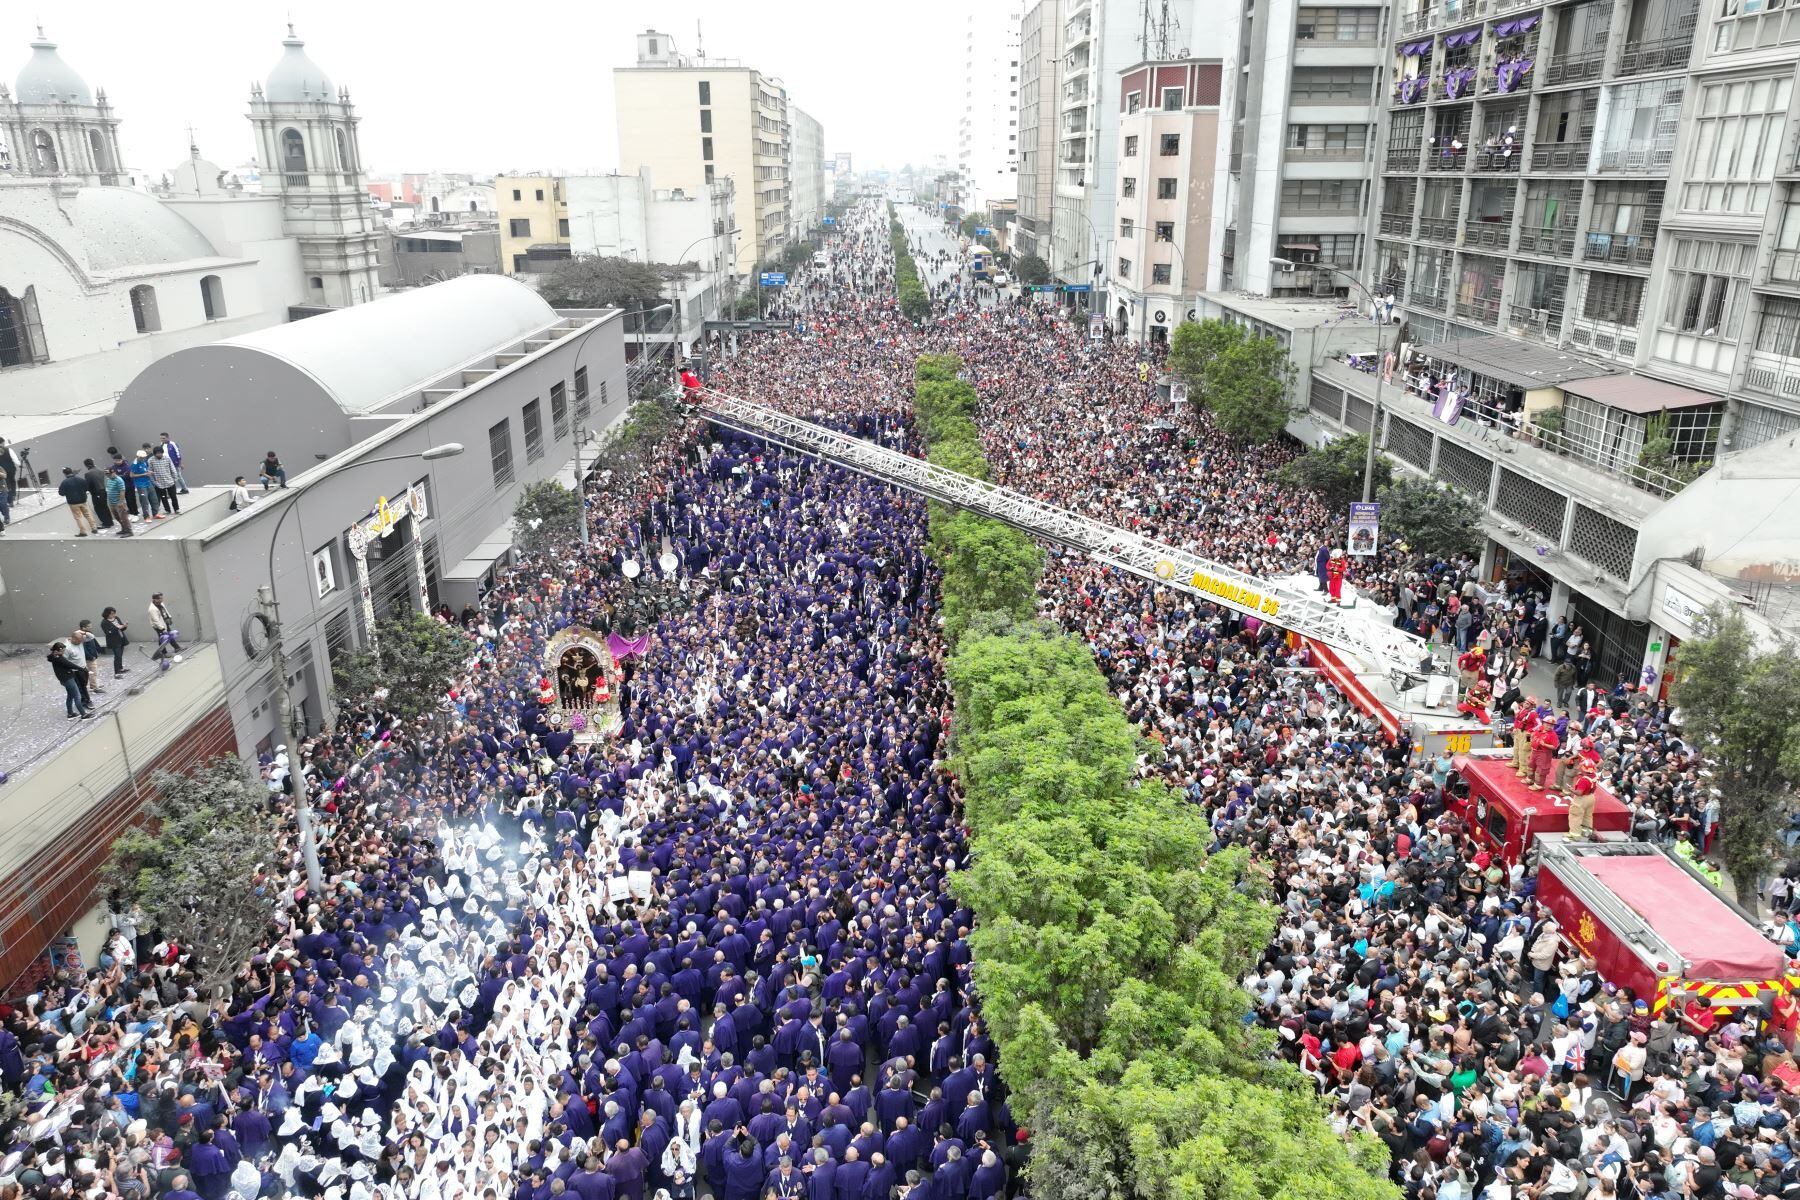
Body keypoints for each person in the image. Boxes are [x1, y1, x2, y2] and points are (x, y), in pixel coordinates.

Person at [48, 639, 93, 719]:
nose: (63, 653)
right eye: (62, 651)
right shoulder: (59, 658)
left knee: (70, 695)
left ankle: (70, 713)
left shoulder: (54, 657)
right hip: (68, 679)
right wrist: (82, 669)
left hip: (64, 679)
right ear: (56, 651)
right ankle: (83, 714)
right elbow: (70, 664)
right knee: (77, 696)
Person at [58, 465, 97, 536]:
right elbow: (86, 488)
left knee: (78, 517)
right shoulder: (80, 479)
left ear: (65, 474)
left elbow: (61, 493)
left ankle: (83, 531)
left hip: (73, 503)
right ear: (71, 472)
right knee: (87, 515)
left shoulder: (64, 482)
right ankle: (94, 528)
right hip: (83, 500)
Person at [148, 592, 183, 662]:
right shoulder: (152, 609)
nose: (162, 599)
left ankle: (177, 647)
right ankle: (163, 653)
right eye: (160, 598)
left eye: (162, 598)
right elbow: (156, 621)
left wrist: (169, 618)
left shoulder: (160, 604)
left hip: (164, 623)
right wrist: (162, 629)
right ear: (155, 599)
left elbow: (165, 611)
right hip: (159, 626)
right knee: (163, 639)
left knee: (169, 635)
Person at [148, 445, 181, 515]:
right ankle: (167, 510)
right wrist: (154, 482)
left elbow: (172, 469)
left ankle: (176, 509)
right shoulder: (151, 460)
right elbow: (149, 472)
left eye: (160, 453)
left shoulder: (167, 458)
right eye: (157, 453)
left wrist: (175, 479)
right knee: (163, 498)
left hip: (170, 481)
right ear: (154, 454)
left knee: (173, 496)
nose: (159, 454)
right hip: (159, 483)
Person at [81, 457, 113, 530]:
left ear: (86, 465)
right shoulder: (100, 470)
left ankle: (106, 523)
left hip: (96, 492)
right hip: (103, 491)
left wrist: (85, 490)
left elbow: (88, 485)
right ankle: (110, 521)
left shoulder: (88, 473)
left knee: (99, 508)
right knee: (105, 507)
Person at [75, 621, 105, 695]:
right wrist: (90, 657)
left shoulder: (88, 634)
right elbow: (83, 648)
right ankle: (95, 687)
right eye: (88, 626)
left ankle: (93, 684)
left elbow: (94, 642)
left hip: (91, 656)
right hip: (89, 657)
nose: (90, 627)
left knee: (92, 671)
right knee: (93, 671)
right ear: (83, 627)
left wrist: (98, 650)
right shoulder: (83, 636)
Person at [102, 606, 131, 676]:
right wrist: (117, 628)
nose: (113, 615)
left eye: (114, 613)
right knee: (117, 656)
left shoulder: (116, 618)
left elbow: (121, 628)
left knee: (120, 655)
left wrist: (124, 626)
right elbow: (108, 633)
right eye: (111, 614)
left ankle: (120, 668)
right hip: (114, 641)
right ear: (107, 614)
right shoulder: (104, 622)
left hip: (121, 638)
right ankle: (117, 671)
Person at [104, 467, 132, 537]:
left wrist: (121, 502)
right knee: (117, 517)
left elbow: (122, 491)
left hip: (119, 502)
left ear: (114, 473)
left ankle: (129, 531)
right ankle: (124, 529)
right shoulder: (109, 479)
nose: (108, 476)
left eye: (109, 474)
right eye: (107, 475)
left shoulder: (119, 480)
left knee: (123, 517)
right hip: (112, 502)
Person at [129, 450, 156, 515]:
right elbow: (131, 475)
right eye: (141, 457)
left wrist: (149, 472)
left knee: (154, 499)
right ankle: (146, 516)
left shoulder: (144, 462)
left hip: (148, 482)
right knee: (144, 501)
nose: (143, 459)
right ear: (137, 457)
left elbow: (145, 470)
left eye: (144, 457)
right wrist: (144, 474)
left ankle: (155, 513)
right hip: (141, 485)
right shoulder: (134, 464)